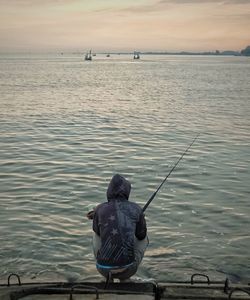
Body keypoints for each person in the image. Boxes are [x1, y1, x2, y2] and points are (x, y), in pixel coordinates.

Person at [87, 174, 148, 281]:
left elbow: (98, 231)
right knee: (144, 237)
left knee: (96, 233)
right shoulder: (136, 208)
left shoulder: (99, 208)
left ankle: (108, 278)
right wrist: (139, 219)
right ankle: (125, 278)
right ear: (127, 191)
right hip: (129, 269)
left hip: (103, 269)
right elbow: (141, 235)